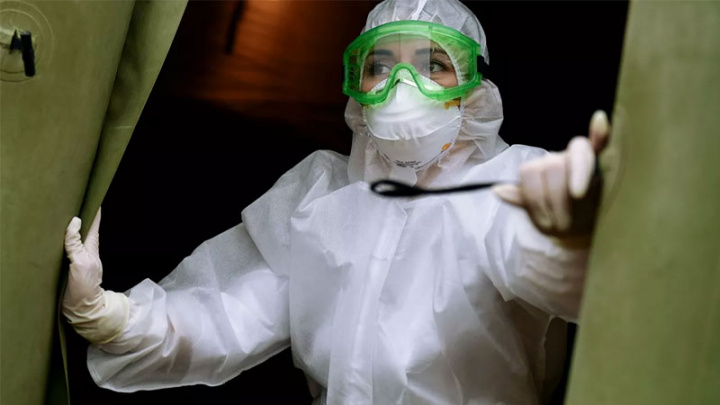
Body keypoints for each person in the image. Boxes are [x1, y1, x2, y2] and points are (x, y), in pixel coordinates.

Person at [62, 0, 610, 403]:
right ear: (357, 87)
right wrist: (115, 318)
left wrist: (573, 241)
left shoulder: (512, 185)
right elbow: (231, 314)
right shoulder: (322, 196)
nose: (402, 87)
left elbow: (560, 281)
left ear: (474, 90)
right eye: (380, 67)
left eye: (434, 65)